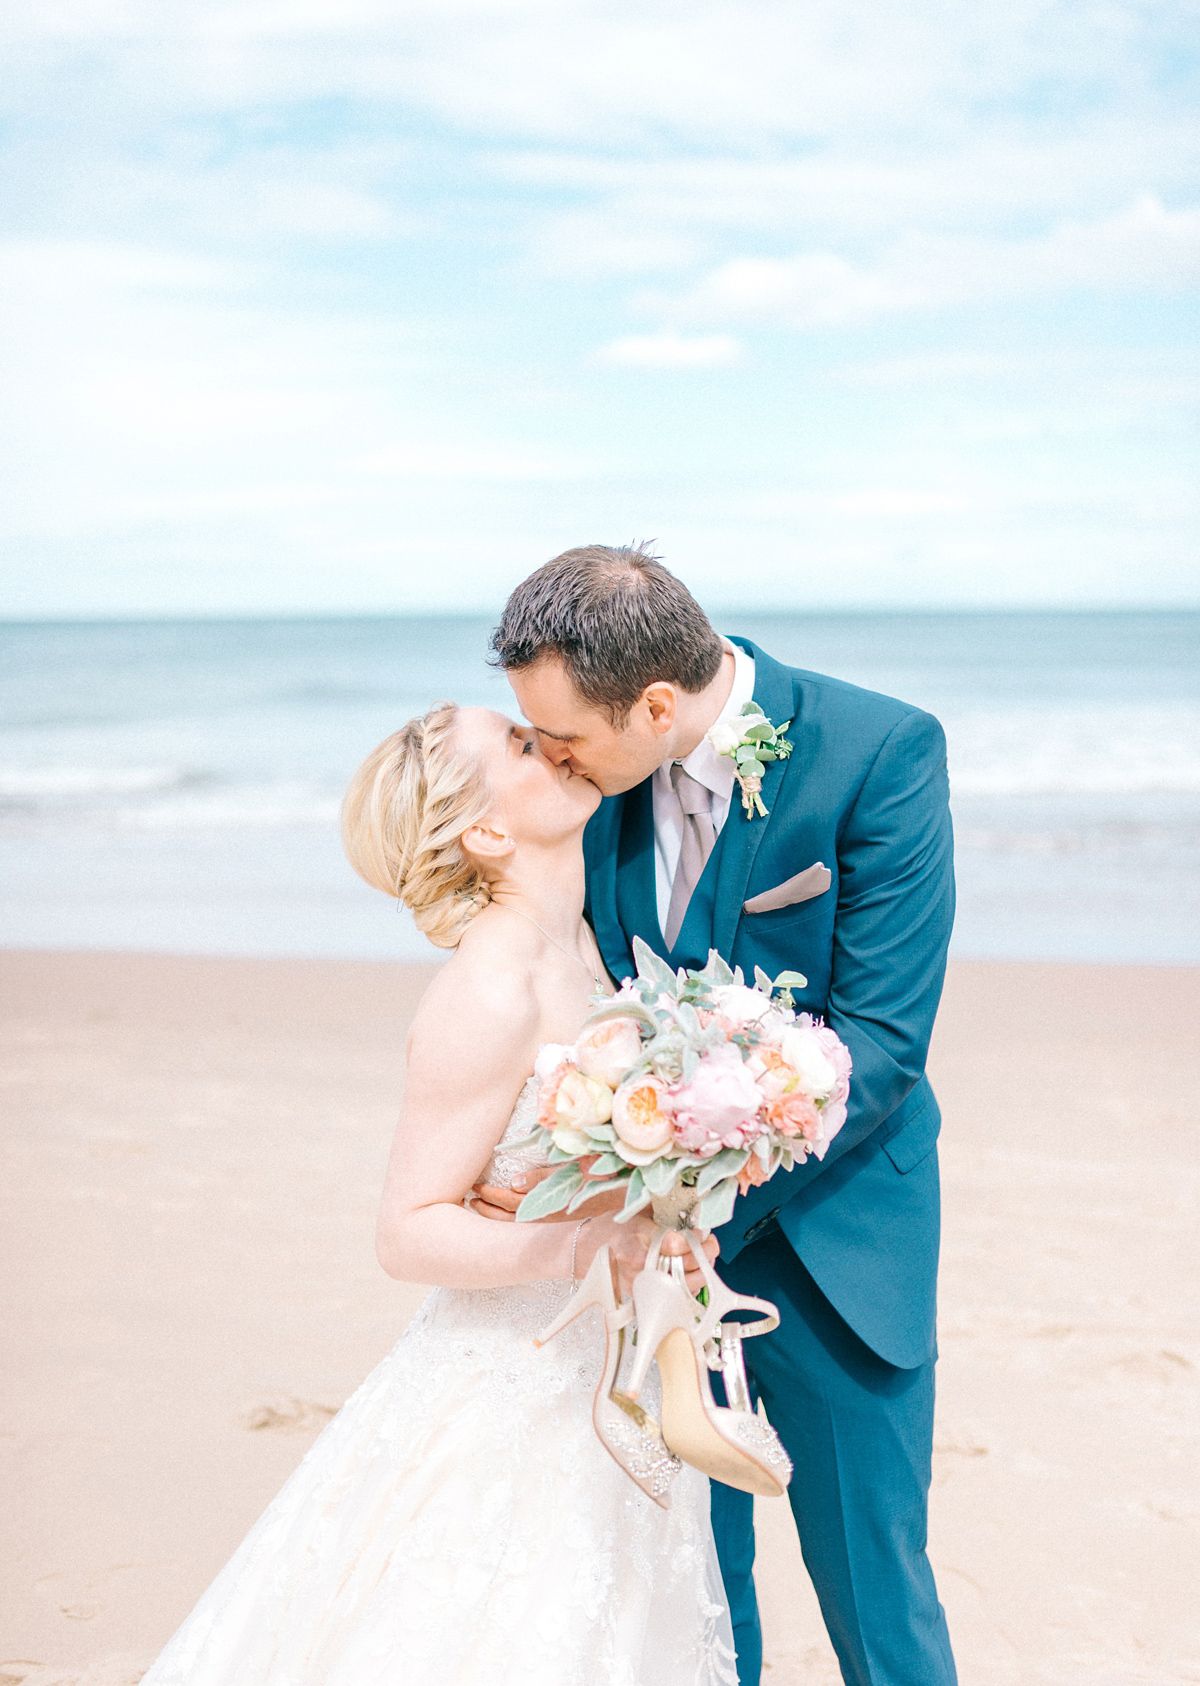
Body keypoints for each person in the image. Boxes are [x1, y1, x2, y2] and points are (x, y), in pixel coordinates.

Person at [139, 700, 737, 1686]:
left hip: (604, 1369)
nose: (551, 736)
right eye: (517, 740)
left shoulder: (584, 944)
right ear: (489, 831)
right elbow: (407, 1230)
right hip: (517, 1379)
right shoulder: (490, 988)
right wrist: (581, 1248)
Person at [479, 544, 958, 1686]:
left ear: (655, 704)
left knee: (875, 1589)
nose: (548, 761)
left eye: (567, 740)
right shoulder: (592, 791)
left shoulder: (879, 752)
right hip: (650, 1270)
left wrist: (680, 1193)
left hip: (836, 1252)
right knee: (693, 1589)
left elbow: (882, 1050)